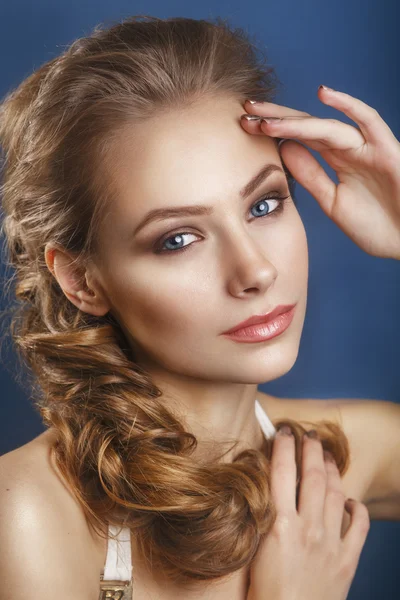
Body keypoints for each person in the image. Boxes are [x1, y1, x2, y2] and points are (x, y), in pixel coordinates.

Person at [0, 13, 399, 600]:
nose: (256, 272)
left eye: (264, 205)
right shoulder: (28, 516)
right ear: (82, 281)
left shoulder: (328, 457)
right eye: (178, 239)